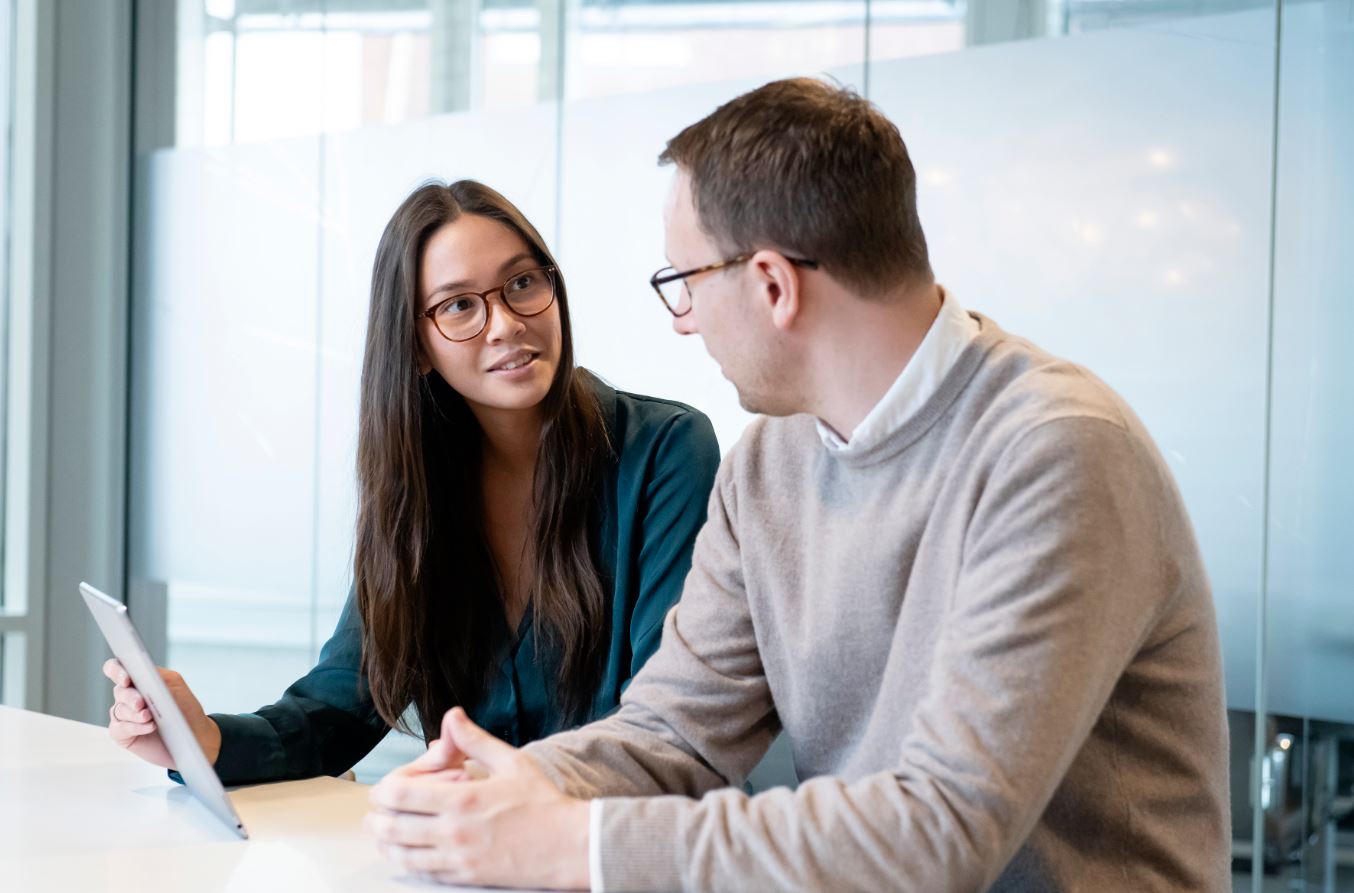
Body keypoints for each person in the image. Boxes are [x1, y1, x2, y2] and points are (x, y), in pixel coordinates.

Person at [364, 79, 1231, 892]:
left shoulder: (1055, 451)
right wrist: (497, 786)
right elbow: (675, 732)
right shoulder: (765, 463)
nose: (685, 320)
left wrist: (569, 842)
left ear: (774, 284)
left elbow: (945, 829)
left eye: (685, 283)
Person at [103, 179, 720, 785]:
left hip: (636, 856)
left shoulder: (666, 449)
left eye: (523, 283)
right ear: (417, 346)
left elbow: (658, 725)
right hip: (485, 863)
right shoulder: (417, 492)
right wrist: (201, 742)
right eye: (459, 305)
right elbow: (338, 711)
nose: (504, 323)